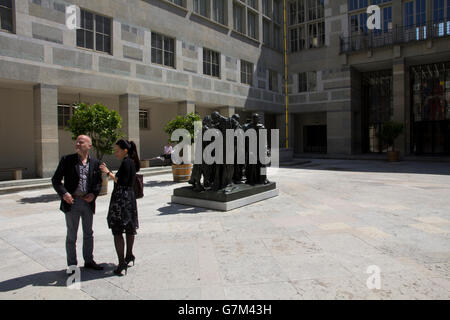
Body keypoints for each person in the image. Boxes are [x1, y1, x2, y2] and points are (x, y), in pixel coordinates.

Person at [52, 135, 104, 271]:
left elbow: (98, 182)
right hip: (72, 202)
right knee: (71, 235)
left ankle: (89, 260)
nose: (77, 144)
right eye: (77, 142)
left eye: (81, 142)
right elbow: (56, 180)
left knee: (88, 233)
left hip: (87, 203)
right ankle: (72, 266)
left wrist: (94, 194)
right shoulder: (67, 160)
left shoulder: (95, 163)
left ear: (89, 146)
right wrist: (64, 194)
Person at [100, 140, 140, 276]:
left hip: (121, 199)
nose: (115, 153)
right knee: (129, 228)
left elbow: (120, 180)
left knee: (117, 230)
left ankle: (122, 262)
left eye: (117, 150)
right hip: (129, 197)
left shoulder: (126, 162)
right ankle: (129, 255)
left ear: (125, 150)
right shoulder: (132, 161)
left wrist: (108, 172)